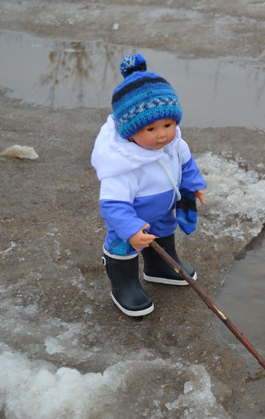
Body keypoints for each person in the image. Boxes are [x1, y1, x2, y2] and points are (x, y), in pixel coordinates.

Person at [91, 53, 207, 317]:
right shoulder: (122, 165)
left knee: (164, 231)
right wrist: (130, 229)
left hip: (163, 209)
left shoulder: (174, 144)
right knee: (124, 245)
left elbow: (185, 165)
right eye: (151, 129)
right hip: (132, 219)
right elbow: (113, 205)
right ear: (130, 131)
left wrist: (194, 185)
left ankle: (159, 267)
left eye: (168, 124)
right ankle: (124, 284)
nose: (163, 134)